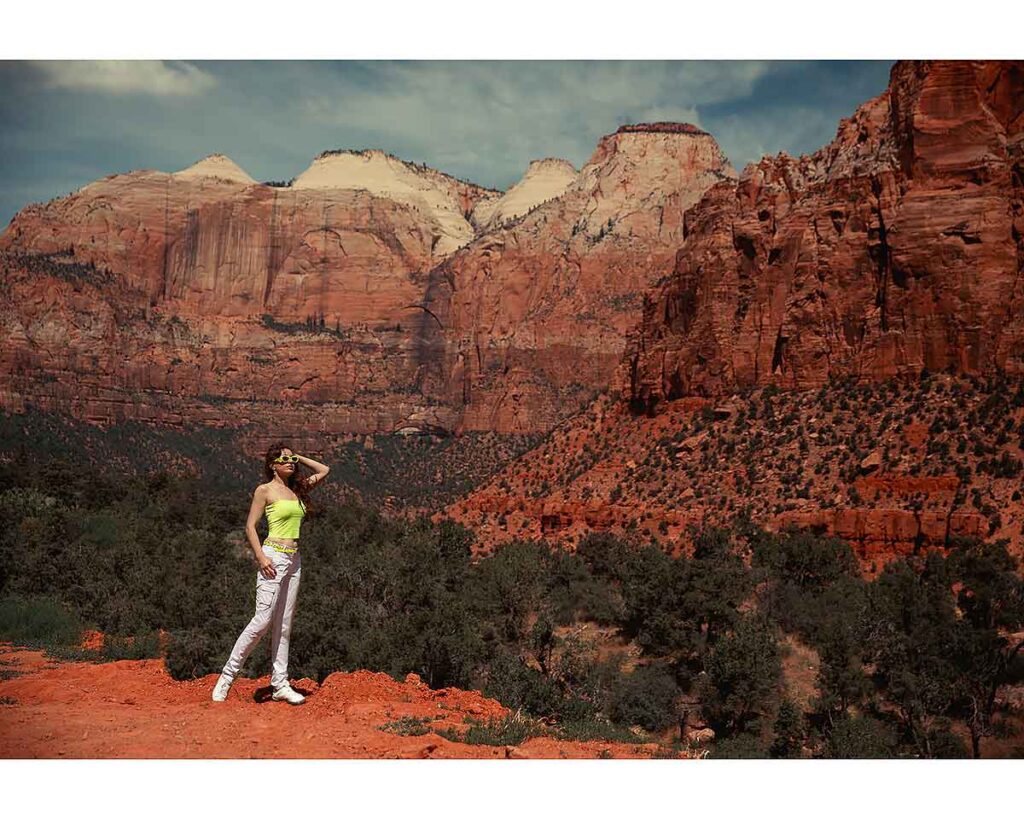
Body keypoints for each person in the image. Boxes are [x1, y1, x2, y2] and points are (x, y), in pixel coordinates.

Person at [212, 443, 330, 704]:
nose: (289, 461)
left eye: (291, 458)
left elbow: (325, 469)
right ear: (271, 464)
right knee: (262, 621)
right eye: (283, 458)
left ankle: (280, 684)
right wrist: (261, 557)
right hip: (273, 557)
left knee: (284, 624)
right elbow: (250, 526)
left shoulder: (297, 489)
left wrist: (298, 456)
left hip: (294, 560)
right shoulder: (264, 491)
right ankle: (227, 678)